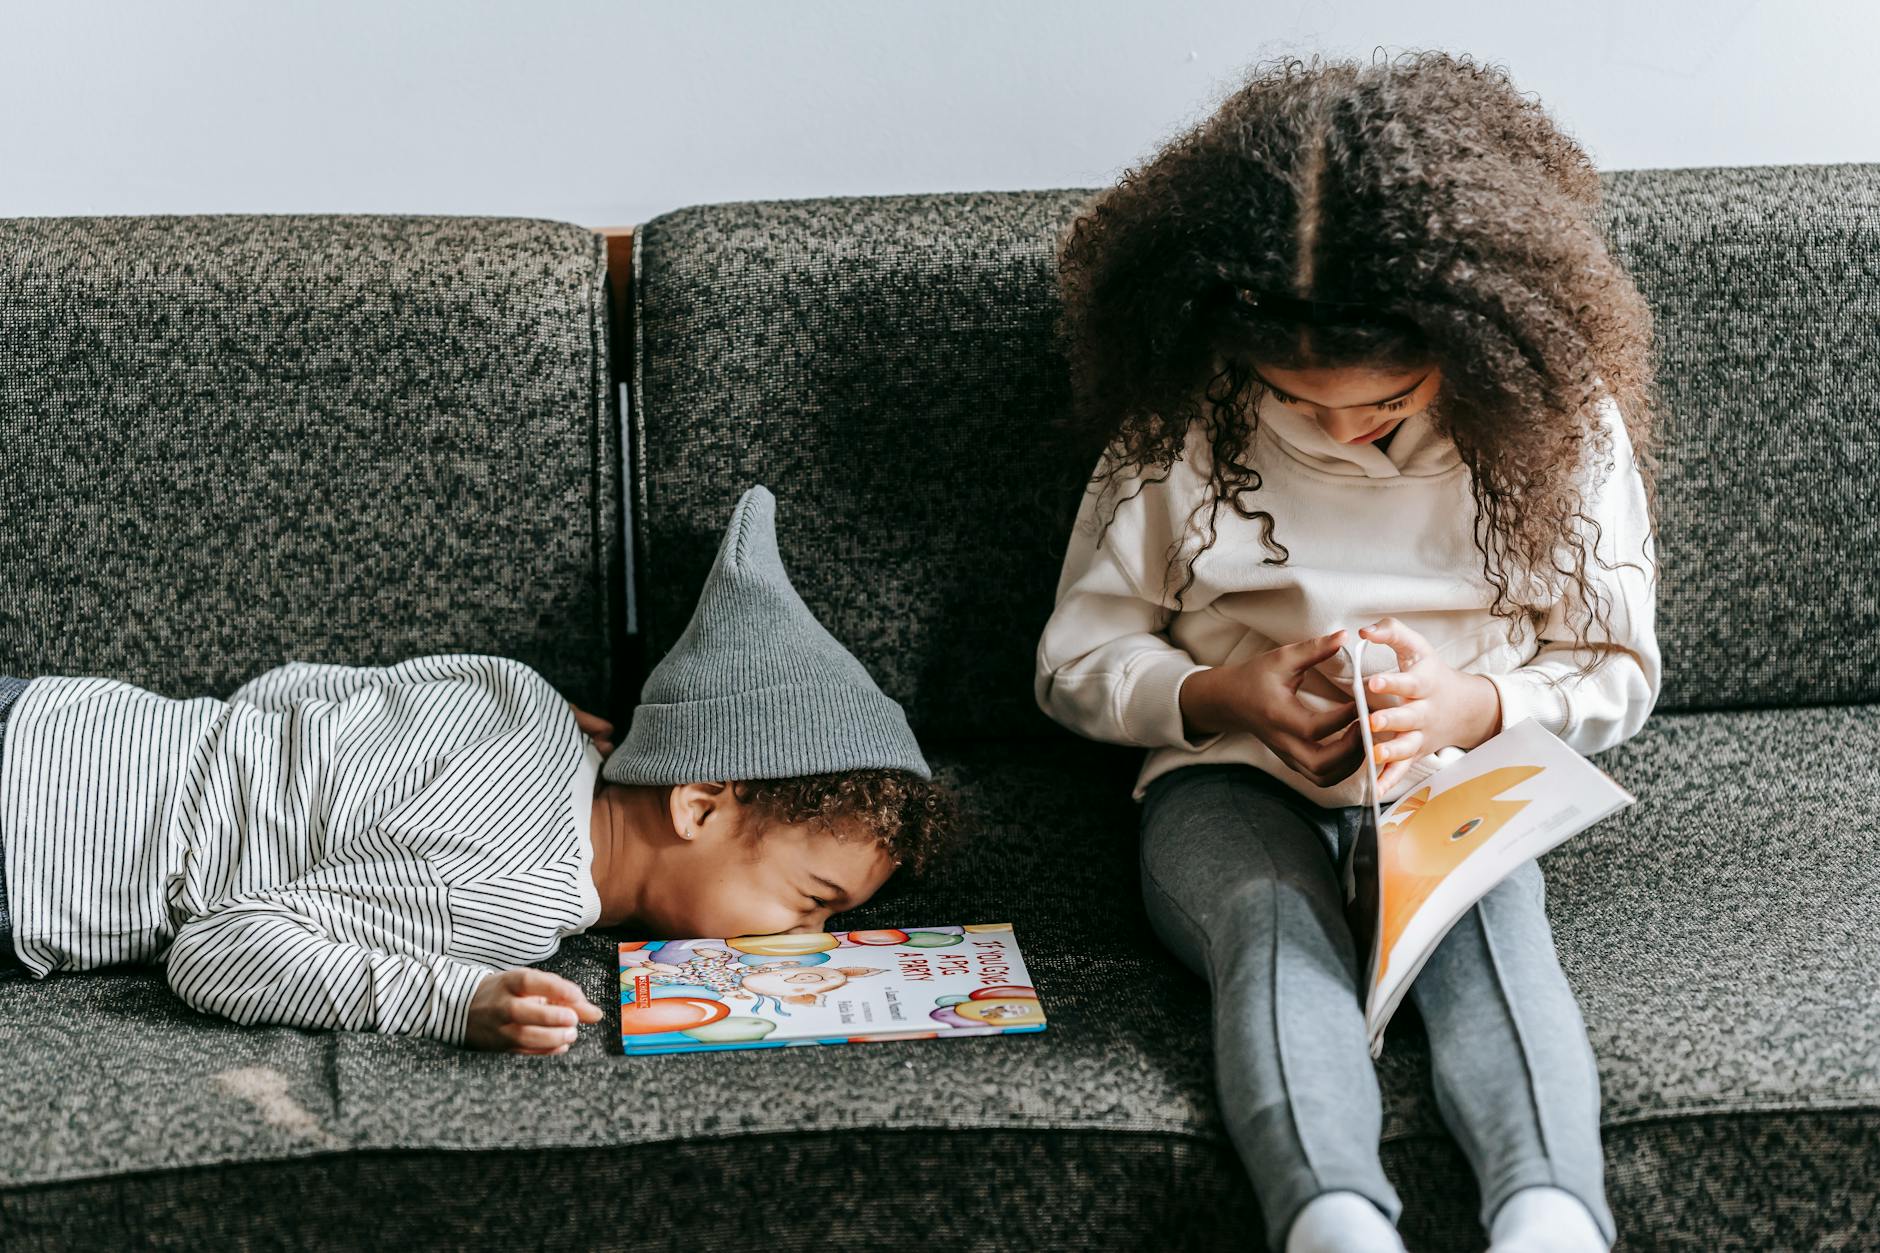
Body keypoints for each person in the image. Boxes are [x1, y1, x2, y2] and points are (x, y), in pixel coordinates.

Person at [1035, 51, 1661, 1253]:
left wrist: (1471, 703)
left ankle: (1548, 1217)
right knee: (1268, 931)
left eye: (1382, 397)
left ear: (1476, 341)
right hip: (1228, 775)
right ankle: (1328, 1219)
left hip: (1460, 779)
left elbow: (1616, 667)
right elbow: (1075, 656)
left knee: (1489, 923)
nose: (1336, 425)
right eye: (1291, 395)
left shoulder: (1557, 420)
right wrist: (1223, 692)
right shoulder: (1180, 422)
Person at [0, 484, 953, 1056]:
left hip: (51, 714)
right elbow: (214, 952)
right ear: (698, 804)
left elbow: (280, 692)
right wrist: (449, 999)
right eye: (812, 900)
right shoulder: (523, 887)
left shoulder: (516, 691)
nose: (817, 937)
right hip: (31, 863)